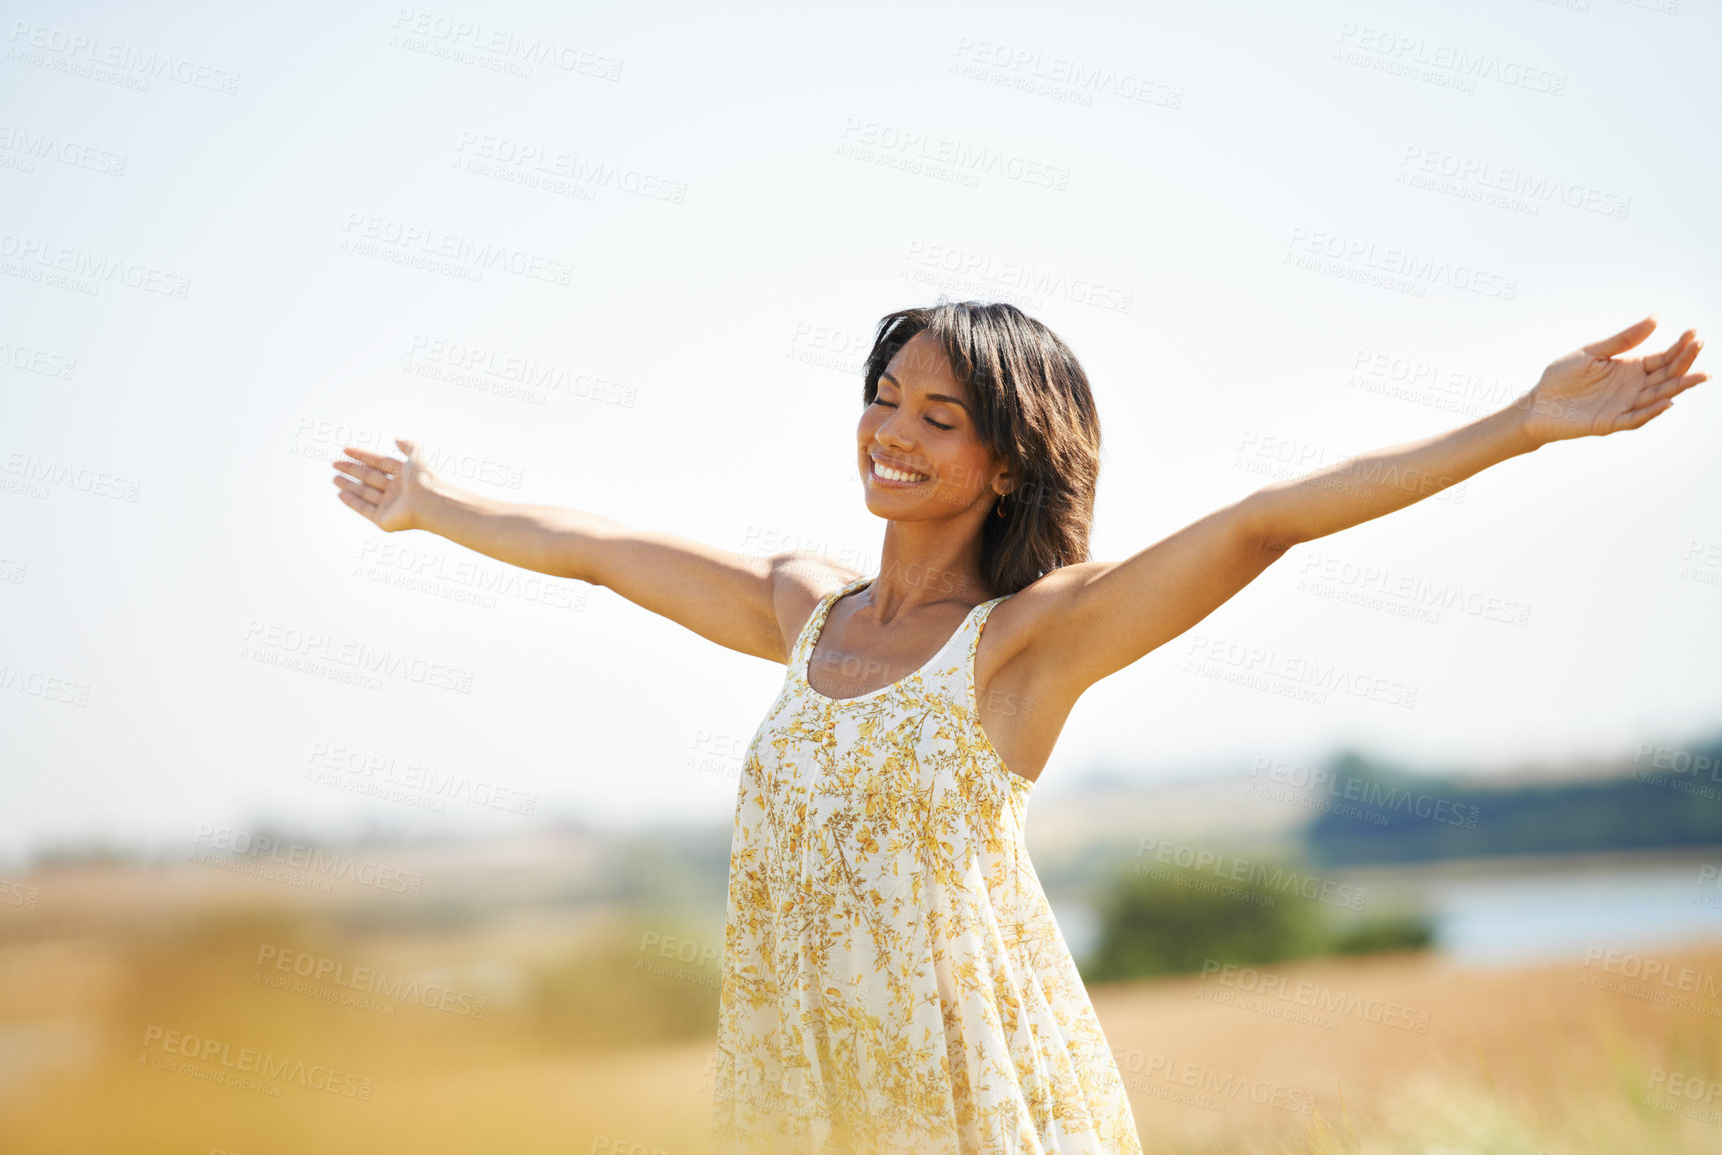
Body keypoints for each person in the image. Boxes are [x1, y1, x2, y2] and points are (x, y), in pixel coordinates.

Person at [331, 300, 1706, 1153]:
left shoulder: (1025, 647)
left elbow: (1266, 519)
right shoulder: (804, 611)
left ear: (1007, 458)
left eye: (941, 414)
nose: (894, 430)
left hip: (967, 1100)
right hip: (795, 1095)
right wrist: (434, 504)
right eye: (883, 397)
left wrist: (1520, 425)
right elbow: (600, 548)